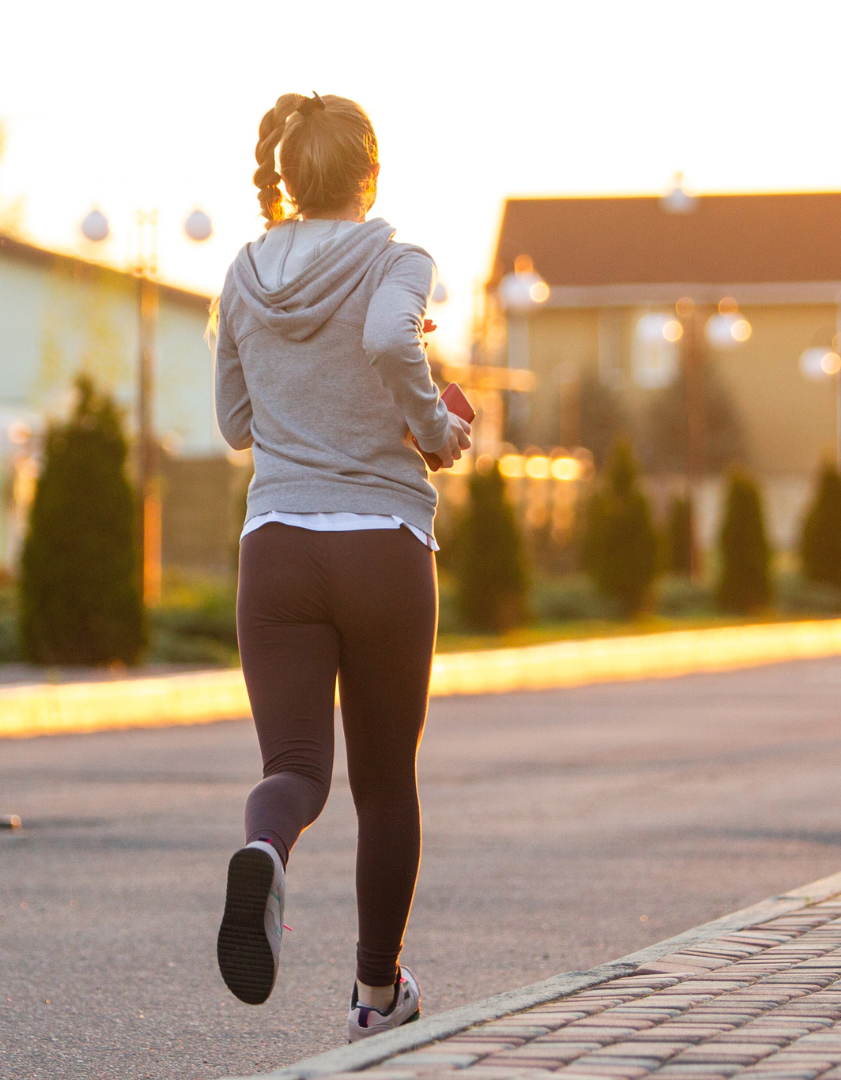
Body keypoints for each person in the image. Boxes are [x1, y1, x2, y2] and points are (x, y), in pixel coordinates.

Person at [210, 91, 473, 1043]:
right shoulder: (398, 259)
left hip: (276, 545)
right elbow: (385, 338)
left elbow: (236, 423)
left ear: (286, 179)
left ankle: (266, 850)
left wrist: (296, 399)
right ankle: (375, 995)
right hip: (381, 545)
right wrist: (435, 426)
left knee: (293, 768)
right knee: (385, 779)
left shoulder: (243, 271)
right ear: (372, 173)